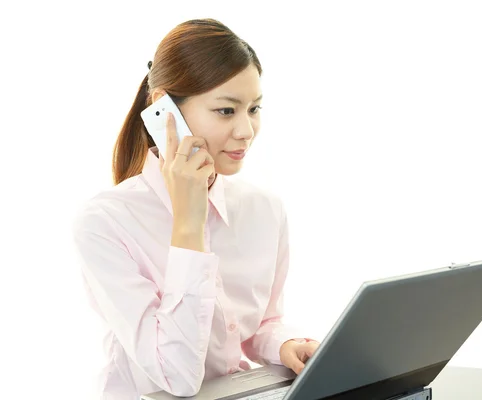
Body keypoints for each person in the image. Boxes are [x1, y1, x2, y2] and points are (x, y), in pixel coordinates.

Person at [72, 18, 319, 400]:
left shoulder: (265, 210)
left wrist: (284, 345)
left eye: (254, 108)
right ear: (163, 110)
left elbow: (263, 324)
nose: (246, 131)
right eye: (226, 110)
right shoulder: (105, 223)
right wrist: (188, 223)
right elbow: (177, 376)